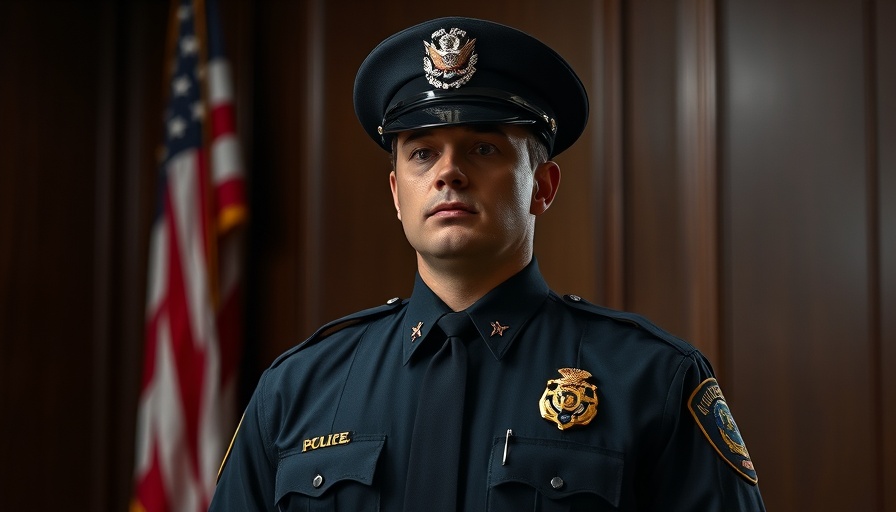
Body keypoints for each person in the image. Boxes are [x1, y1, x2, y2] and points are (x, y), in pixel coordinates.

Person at [210, 16, 766, 511]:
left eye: (483, 148)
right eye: (422, 153)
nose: (447, 173)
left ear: (542, 186)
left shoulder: (653, 381)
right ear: (397, 194)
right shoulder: (296, 390)